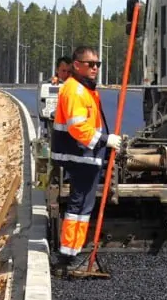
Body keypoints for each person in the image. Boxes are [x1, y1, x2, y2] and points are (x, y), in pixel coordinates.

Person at [50, 46, 121, 274]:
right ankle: (67, 255)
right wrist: (105, 141)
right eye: (90, 64)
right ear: (76, 65)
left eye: (97, 64)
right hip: (79, 154)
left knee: (83, 206)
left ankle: (73, 251)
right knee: (78, 206)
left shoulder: (86, 89)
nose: (95, 68)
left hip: (86, 155)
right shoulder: (75, 90)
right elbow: (77, 126)